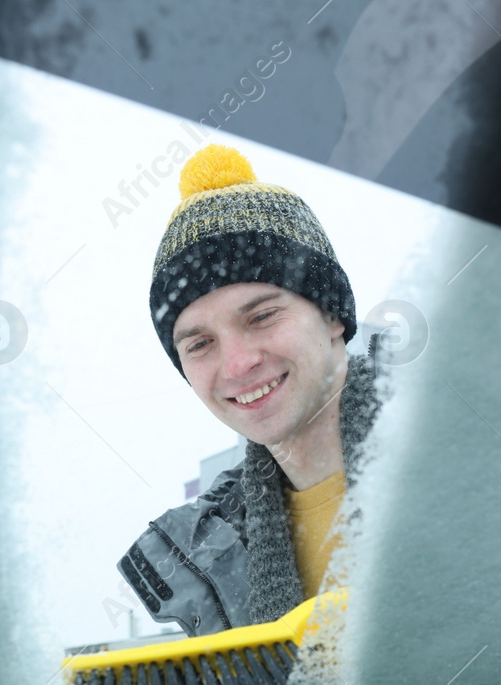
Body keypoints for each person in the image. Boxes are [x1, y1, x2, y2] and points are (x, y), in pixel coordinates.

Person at [117, 144, 387, 637]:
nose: (238, 363)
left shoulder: (460, 448)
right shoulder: (206, 558)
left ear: (331, 315)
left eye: (261, 315)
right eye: (200, 344)